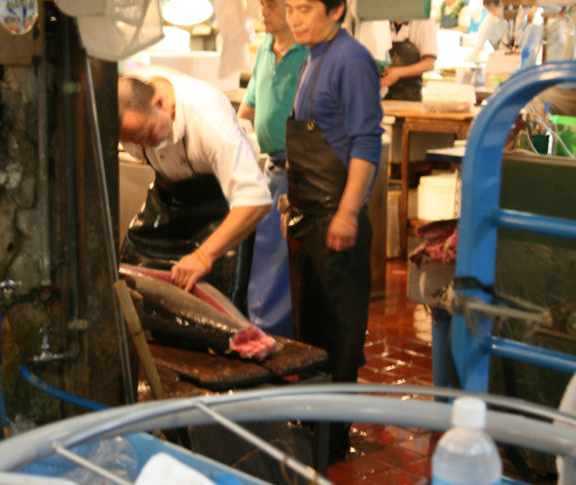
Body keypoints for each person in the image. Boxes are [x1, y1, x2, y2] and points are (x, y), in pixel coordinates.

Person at [283, 0, 383, 461]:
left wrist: (347, 213)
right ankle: (313, 430)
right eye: (289, 7)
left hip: (335, 220)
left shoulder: (351, 59)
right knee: (312, 329)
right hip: (310, 216)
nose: (294, 18)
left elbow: (366, 142)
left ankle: (333, 443)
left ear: (337, 8)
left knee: (340, 334)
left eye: (304, 7)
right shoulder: (311, 58)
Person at [118, 68, 272, 293]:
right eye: (133, 141)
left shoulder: (209, 119)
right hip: (168, 206)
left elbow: (255, 200)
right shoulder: (134, 115)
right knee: (135, 287)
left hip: (220, 210)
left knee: (220, 309)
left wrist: (203, 256)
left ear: (160, 102)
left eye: (146, 135)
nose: (142, 146)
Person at [237, 0, 308, 338]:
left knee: (280, 259)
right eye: (261, 3)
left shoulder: (307, 52)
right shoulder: (265, 47)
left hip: (299, 171)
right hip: (270, 168)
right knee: (265, 255)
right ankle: (261, 331)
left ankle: (273, 339)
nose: (263, 10)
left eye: (271, 4)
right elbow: (248, 107)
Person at [381, 18, 438, 101]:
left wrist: (398, 73)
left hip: (410, 95)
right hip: (379, 95)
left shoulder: (425, 21)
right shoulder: (378, 20)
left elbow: (429, 63)